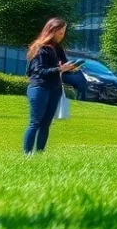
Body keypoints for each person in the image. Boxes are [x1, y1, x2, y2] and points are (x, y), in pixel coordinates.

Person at [23, 18, 81, 154]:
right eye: (60, 33)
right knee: (35, 123)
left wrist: (71, 68)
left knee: (46, 124)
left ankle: (40, 153)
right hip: (39, 88)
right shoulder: (40, 48)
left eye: (64, 33)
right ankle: (27, 154)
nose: (62, 36)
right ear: (52, 31)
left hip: (55, 89)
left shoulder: (58, 49)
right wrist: (59, 69)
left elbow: (63, 66)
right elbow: (39, 71)